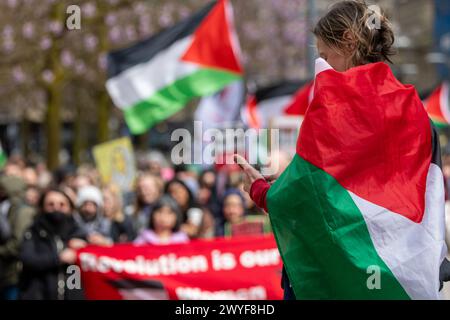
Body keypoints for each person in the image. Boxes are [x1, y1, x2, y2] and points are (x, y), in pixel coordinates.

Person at [236, 0, 447, 300]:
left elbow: (305, 192)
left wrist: (258, 188)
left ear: (348, 42)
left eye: (324, 55)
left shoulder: (334, 108)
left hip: (336, 272)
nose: (321, 64)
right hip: (403, 274)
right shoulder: (414, 108)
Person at [19, 189, 87, 300]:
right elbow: (28, 259)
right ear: (42, 207)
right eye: (51, 204)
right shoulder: (33, 232)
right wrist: (58, 258)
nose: (56, 208)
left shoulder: (77, 233)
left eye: (62, 204)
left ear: (70, 208)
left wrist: (89, 246)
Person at [0, 175, 35, 300]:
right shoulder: (8, 208)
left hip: (14, 274)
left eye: (2, 189)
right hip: (5, 273)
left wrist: (2, 251)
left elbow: (18, 243)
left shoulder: (23, 212)